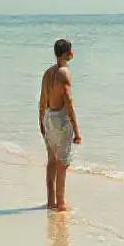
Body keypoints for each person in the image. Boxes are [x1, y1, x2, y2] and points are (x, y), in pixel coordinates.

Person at [39, 38, 81, 210]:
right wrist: (77, 131)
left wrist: (41, 120)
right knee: (62, 163)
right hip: (60, 119)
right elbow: (68, 102)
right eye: (71, 50)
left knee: (51, 161)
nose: (73, 52)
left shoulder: (48, 72)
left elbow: (42, 100)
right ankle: (61, 203)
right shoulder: (64, 73)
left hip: (48, 116)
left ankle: (51, 201)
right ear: (67, 53)